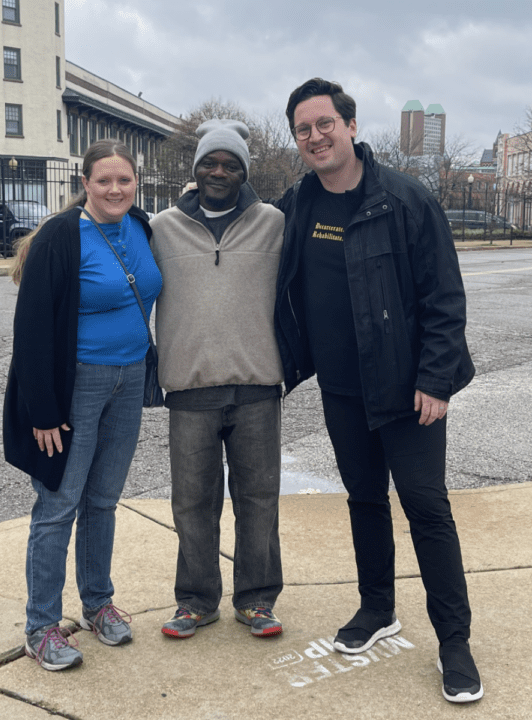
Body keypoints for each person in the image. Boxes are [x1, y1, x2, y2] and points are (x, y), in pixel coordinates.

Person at [274, 78, 481, 703]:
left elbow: (444, 298)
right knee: (364, 500)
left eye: (324, 124)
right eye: (303, 129)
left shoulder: (406, 199)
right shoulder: (297, 203)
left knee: (427, 510)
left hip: (409, 390)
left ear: (351, 125)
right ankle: (377, 609)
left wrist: (436, 380)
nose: (314, 136)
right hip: (341, 390)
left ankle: (454, 641)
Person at [4, 138, 162, 672]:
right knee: (58, 505)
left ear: (135, 182)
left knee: (103, 500)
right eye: (104, 181)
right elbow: (30, 329)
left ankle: (97, 604)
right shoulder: (60, 237)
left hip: (130, 380)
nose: (115, 189)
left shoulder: (141, 226)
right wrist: (42, 410)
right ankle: (41, 626)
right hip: (76, 386)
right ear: (85, 183)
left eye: (124, 180)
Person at [149, 119, 287, 640]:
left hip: (256, 387)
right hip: (189, 389)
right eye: (210, 162)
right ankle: (196, 601)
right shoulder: (162, 228)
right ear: (195, 168)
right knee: (191, 504)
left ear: (244, 172)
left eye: (230, 164)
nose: (219, 171)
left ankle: (256, 600)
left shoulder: (272, 222)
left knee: (258, 500)